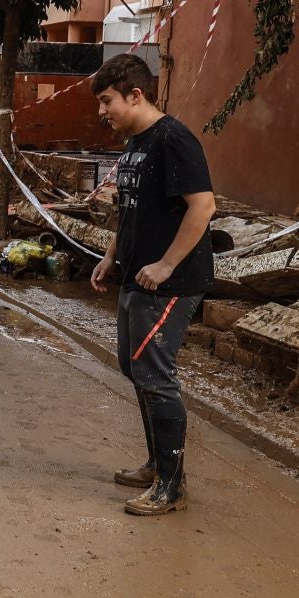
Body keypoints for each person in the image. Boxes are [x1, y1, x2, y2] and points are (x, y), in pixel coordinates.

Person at [88, 53, 216, 518]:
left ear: (135, 95)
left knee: (156, 376)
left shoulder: (173, 139)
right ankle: (156, 465)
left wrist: (165, 265)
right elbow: (133, 210)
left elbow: (203, 206)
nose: (102, 112)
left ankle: (171, 486)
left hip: (170, 281)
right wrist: (110, 256)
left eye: (107, 101)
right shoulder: (136, 144)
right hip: (136, 273)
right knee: (134, 366)